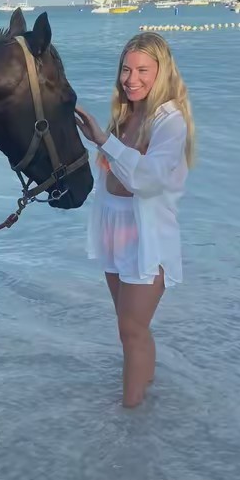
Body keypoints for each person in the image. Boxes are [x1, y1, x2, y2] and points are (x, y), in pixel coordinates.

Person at [74, 32, 196, 408]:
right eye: (126, 69)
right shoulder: (127, 114)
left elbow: (147, 180)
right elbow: (110, 177)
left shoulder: (170, 120)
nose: (131, 79)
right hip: (115, 231)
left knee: (132, 329)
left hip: (147, 238)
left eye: (143, 70)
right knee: (131, 330)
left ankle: (130, 419)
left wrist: (102, 140)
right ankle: (148, 397)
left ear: (162, 72)